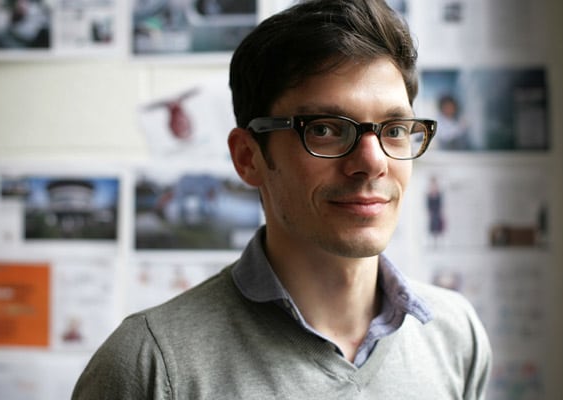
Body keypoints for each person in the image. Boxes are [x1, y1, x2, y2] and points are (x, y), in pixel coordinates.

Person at [72, 0, 492, 398]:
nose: (372, 162)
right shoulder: (152, 365)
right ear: (248, 157)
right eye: (325, 129)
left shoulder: (454, 335)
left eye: (395, 130)